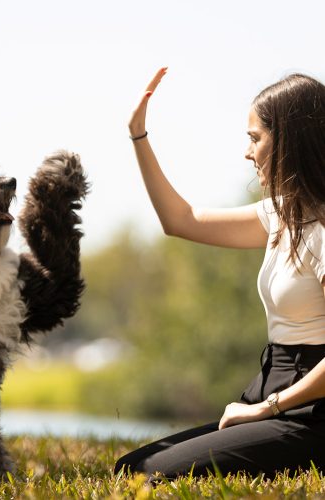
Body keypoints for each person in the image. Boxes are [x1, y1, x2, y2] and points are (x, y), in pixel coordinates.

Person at [114, 68, 325, 479]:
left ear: (288, 142)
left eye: (254, 138)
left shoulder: (321, 231)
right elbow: (181, 219)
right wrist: (138, 136)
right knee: (130, 468)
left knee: (151, 474)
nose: (247, 153)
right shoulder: (281, 214)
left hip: (311, 410)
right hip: (275, 390)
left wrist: (269, 408)